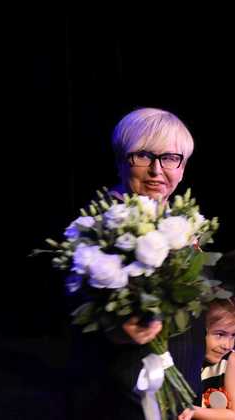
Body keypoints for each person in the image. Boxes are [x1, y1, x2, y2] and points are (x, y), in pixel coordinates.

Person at [68, 107, 205, 420]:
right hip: (124, 396)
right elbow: (73, 302)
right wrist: (115, 327)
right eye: (143, 156)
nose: (157, 170)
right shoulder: (96, 227)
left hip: (182, 391)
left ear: (182, 167)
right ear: (120, 161)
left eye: (171, 158)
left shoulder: (184, 223)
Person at [177, 297, 235, 420]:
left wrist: (190, 410)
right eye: (220, 334)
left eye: (233, 335)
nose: (227, 345)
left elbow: (234, 415)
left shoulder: (231, 361)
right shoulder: (184, 358)